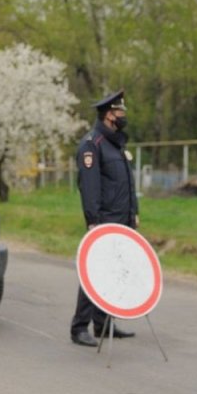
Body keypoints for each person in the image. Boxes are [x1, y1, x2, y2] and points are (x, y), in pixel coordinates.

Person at [70, 89, 138, 347]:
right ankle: (79, 327)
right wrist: (93, 221)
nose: (123, 116)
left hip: (122, 220)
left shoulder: (116, 144)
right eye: (120, 111)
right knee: (96, 272)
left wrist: (134, 213)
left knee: (113, 272)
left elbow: (127, 184)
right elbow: (90, 187)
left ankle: (102, 324)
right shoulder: (92, 144)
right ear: (109, 115)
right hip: (104, 222)